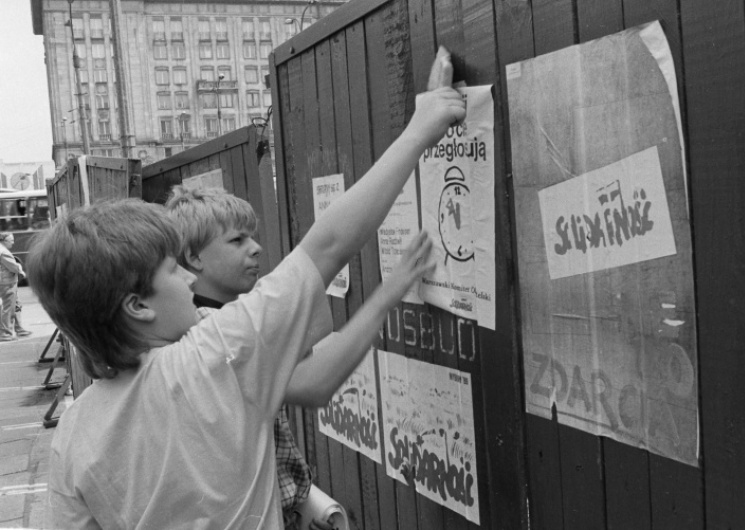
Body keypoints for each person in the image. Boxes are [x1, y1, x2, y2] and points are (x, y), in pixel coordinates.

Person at [27, 50, 464, 528]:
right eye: (174, 271)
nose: (189, 281)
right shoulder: (213, 354)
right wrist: (423, 126)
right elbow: (328, 246)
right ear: (137, 306)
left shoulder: (73, 432)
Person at [165, 187, 435, 529]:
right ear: (194, 257)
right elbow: (312, 383)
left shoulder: (232, 317)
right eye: (237, 241)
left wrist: (302, 508)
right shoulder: (208, 334)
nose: (256, 248)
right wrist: (388, 294)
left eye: (253, 237)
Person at [0, 233, 29, 341]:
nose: (13, 242)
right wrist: (20, 269)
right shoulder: (3, 252)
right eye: (11, 240)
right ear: (3, 241)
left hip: (6, 281)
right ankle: (5, 334)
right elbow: (13, 267)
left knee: (15, 305)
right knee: (8, 308)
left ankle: (19, 329)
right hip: (7, 283)